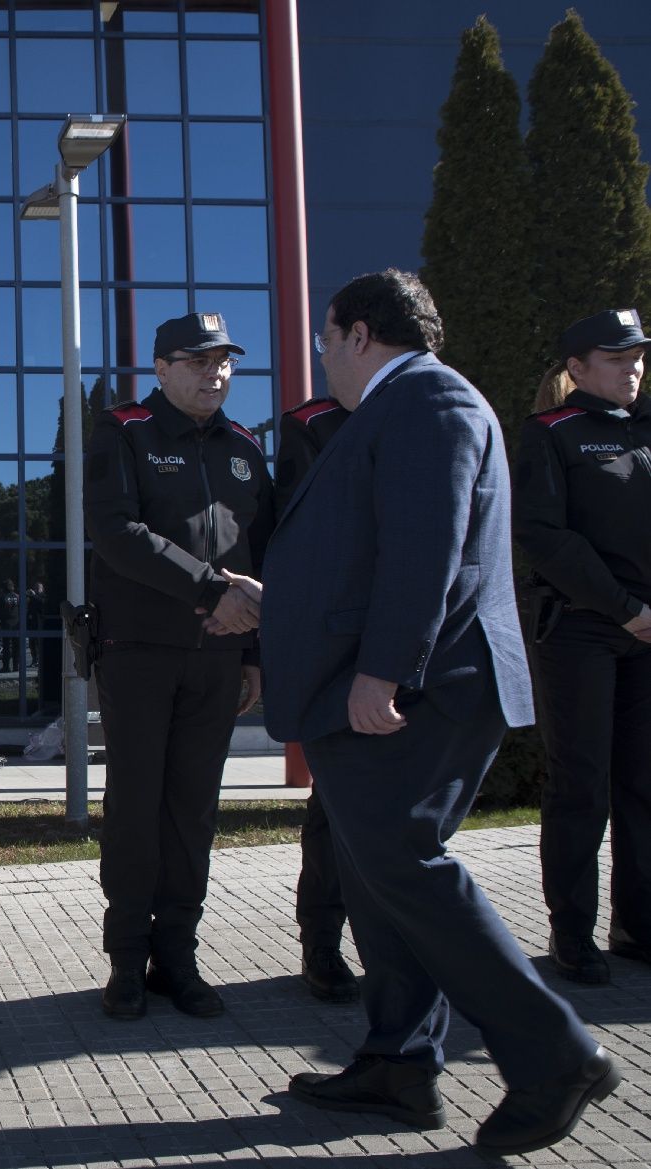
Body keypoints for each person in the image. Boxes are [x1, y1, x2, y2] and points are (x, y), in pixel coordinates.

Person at [263, 270, 618, 1156]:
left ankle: (554, 1054)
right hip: (389, 687)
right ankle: (398, 1062)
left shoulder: (429, 401)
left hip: (421, 690)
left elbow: (427, 549)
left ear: (354, 333)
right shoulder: (402, 407)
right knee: (379, 872)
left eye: (324, 340)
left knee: (406, 863)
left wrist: (382, 672)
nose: (323, 359)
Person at [83, 311, 272, 1021]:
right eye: (197, 361)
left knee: (193, 810)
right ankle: (127, 960)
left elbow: (260, 551)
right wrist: (210, 589)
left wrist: (252, 649)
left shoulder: (246, 448)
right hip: (139, 653)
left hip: (219, 660)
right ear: (161, 368)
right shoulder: (124, 431)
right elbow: (116, 533)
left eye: (223, 362)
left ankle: (178, 957)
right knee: (136, 807)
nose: (213, 374)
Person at [515, 307, 651, 985]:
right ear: (577, 369)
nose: (632, 368)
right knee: (580, 786)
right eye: (617, 358)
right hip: (582, 629)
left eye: (637, 357)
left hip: (649, 631)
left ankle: (637, 924)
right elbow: (543, 536)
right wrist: (625, 608)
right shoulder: (552, 436)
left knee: (643, 782)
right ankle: (573, 932)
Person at [272, 399, 359, 1004]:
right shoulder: (313, 426)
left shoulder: (430, 411)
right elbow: (306, 534)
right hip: (346, 643)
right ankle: (322, 944)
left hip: (423, 638)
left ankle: (400, 946)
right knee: (335, 809)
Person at [0, 579, 21, 673]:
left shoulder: (1, 597)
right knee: (16, 646)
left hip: (6, 624)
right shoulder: (18, 597)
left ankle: (6, 667)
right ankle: (16, 666)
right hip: (17, 624)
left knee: (6, 646)